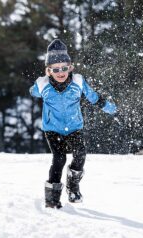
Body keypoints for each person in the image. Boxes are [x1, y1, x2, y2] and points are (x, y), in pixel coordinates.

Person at [30, 39, 117, 209]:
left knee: (80, 155)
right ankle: (52, 198)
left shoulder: (78, 82)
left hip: (74, 126)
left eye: (64, 68)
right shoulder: (43, 85)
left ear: (70, 67)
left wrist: (106, 106)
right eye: (55, 69)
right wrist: (38, 83)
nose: (60, 72)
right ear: (49, 71)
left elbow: (92, 96)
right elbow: (33, 92)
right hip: (53, 129)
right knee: (59, 159)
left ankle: (73, 186)